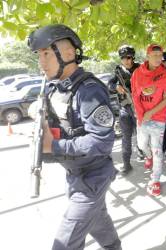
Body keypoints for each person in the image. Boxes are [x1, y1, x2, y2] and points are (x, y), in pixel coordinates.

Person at [28, 24, 121, 250]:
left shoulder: (89, 90)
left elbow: (102, 141)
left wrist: (55, 146)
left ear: (69, 53)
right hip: (75, 175)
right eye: (39, 55)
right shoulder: (55, 88)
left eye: (47, 53)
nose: (42, 61)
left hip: (93, 177)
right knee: (99, 222)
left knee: (65, 243)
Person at [131, 44, 166, 196]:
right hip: (142, 116)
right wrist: (141, 114)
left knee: (157, 149)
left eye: (160, 55)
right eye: (154, 55)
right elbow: (135, 96)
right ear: (147, 56)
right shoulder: (137, 73)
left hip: (158, 118)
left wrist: (151, 112)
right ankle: (147, 156)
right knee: (141, 145)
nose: (157, 58)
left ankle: (155, 180)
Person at [108, 45, 143, 175]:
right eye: (123, 58)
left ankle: (142, 151)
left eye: (128, 57)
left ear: (132, 57)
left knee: (142, 135)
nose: (126, 60)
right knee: (126, 137)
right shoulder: (118, 71)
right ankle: (126, 163)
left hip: (140, 108)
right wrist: (116, 86)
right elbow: (109, 84)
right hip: (125, 108)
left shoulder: (141, 69)